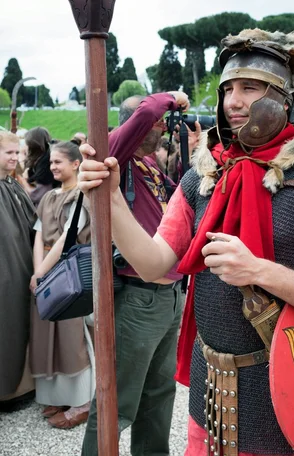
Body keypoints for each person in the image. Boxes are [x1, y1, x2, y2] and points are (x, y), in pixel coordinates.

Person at [79, 29, 294, 456]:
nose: (233, 102)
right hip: (213, 393)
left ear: (284, 96)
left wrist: (257, 270)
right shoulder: (202, 178)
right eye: (227, 90)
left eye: (250, 88)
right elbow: (153, 265)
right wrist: (109, 201)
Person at [81, 90, 192, 456]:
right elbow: (146, 110)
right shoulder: (116, 152)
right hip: (138, 298)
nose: (161, 130)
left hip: (169, 296)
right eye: (157, 124)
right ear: (135, 124)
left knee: (159, 395)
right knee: (117, 400)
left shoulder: (148, 164)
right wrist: (174, 98)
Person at [29, 141, 94, 429]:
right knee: (46, 338)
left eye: (59, 162)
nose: (53, 166)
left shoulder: (81, 196)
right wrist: (37, 273)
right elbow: (39, 238)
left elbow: (68, 236)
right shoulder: (49, 197)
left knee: (72, 339)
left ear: (75, 163)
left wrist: (42, 273)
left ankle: (82, 401)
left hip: (69, 274)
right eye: (51, 162)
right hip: (45, 275)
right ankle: (56, 394)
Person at [0, 131, 36, 409]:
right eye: (8, 153)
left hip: (20, 267)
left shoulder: (12, 185)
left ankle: (16, 389)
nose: (15, 158)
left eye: (17, 153)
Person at [22, 127, 58, 206]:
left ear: (32, 145)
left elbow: (38, 196)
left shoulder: (46, 164)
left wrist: (23, 180)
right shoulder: (41, 160)